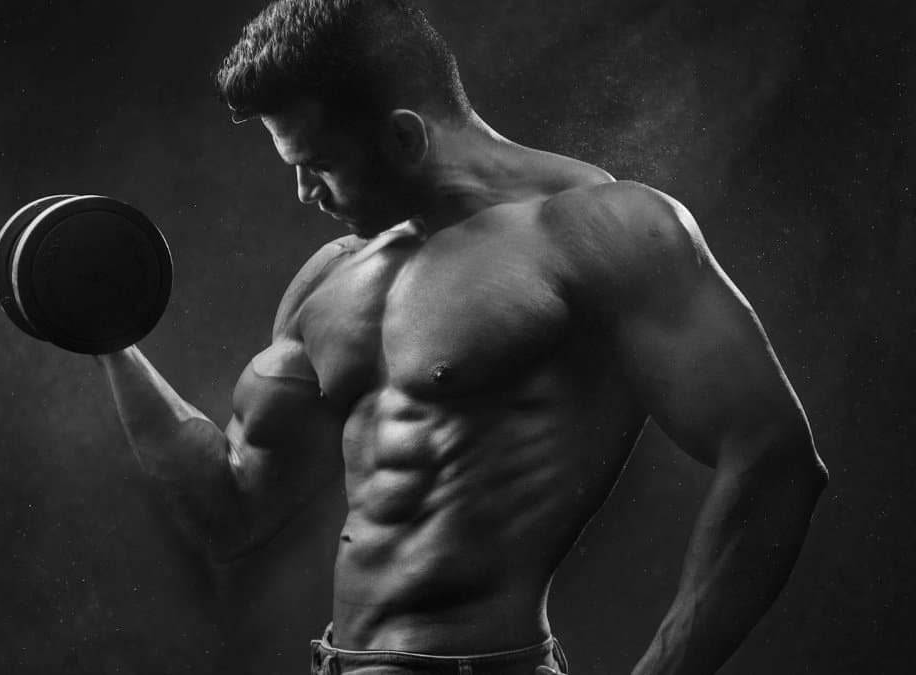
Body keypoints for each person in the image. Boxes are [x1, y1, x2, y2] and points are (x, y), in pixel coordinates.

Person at [95, 1, 828, 673]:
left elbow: (775, 459)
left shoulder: (598, 231)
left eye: (317, 165)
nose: (303, 194)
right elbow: (230, 512)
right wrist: (109, 338)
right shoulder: (331, 279)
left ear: (405, 136)